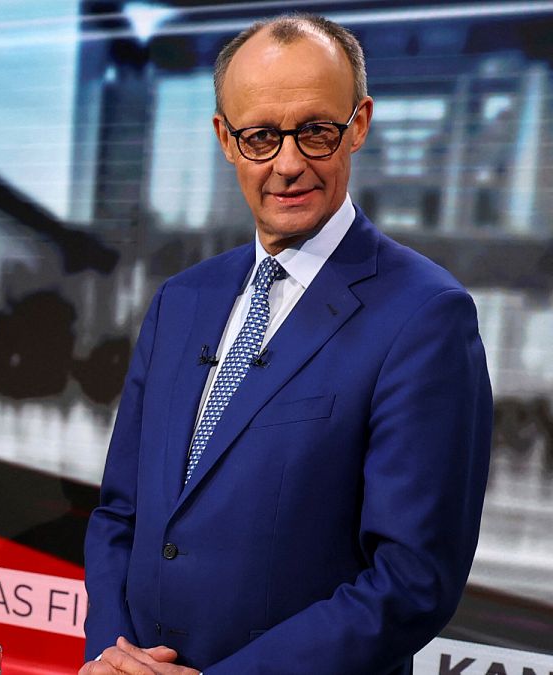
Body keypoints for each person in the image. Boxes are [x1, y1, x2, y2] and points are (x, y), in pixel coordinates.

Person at [81, 14, 492, 675]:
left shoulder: (425, 316)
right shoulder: (181, 300)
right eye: (262, 137)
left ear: (359, 124)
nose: (290, 163)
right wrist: (112, 656)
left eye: (317, 131)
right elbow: (119, 513)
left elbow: (411, 579)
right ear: (226, 139)